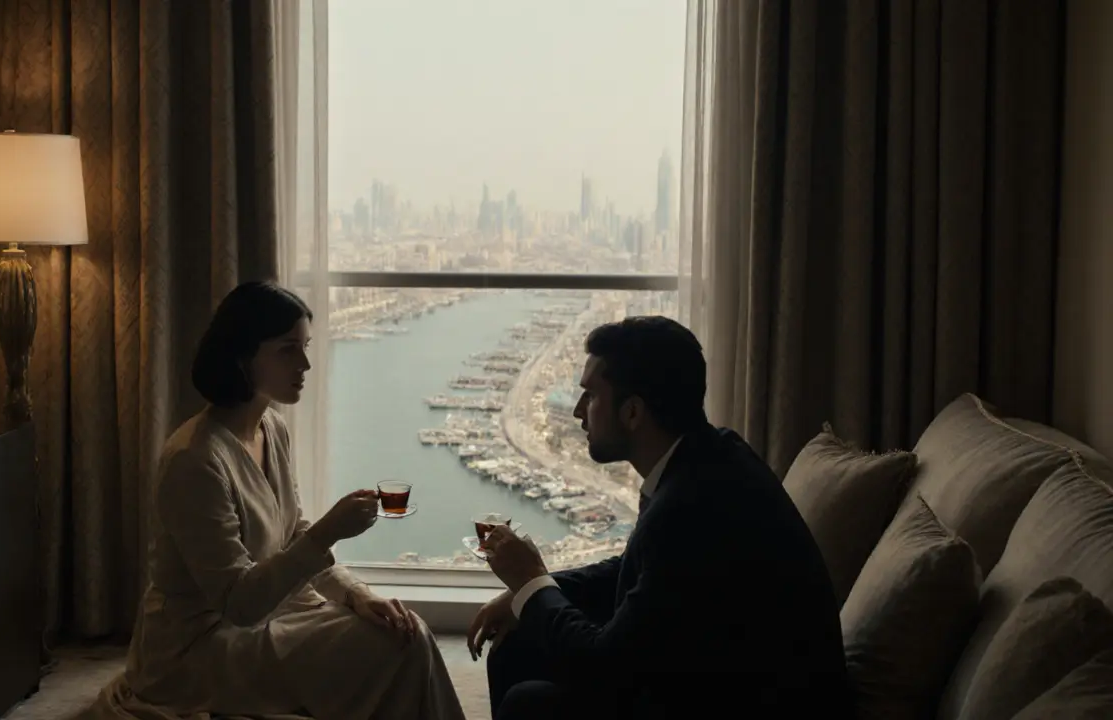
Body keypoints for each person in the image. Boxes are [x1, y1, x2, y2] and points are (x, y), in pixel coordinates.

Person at [90, 281, 465, 720]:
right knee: (392, 646)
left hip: (270, 615)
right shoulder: (194, 461)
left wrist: (356, 594)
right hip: (199, 648)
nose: (306, 363)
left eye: (305, 346)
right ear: (243, 356)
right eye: (288, 349)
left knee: (404, 632)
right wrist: (330, 530)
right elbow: (239, 604)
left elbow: (293, 535)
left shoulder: (273, 429)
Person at [468, 316, 853, 718]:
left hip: (747, 700)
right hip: (708, 668)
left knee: (527, 703)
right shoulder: (709, 456)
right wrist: (532, 593)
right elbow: (638, 569)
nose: (578, 411)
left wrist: (532, 583)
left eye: (591, 396)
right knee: (517, 645)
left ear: (633, 412)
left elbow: (602, 666)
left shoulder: (690, 507)